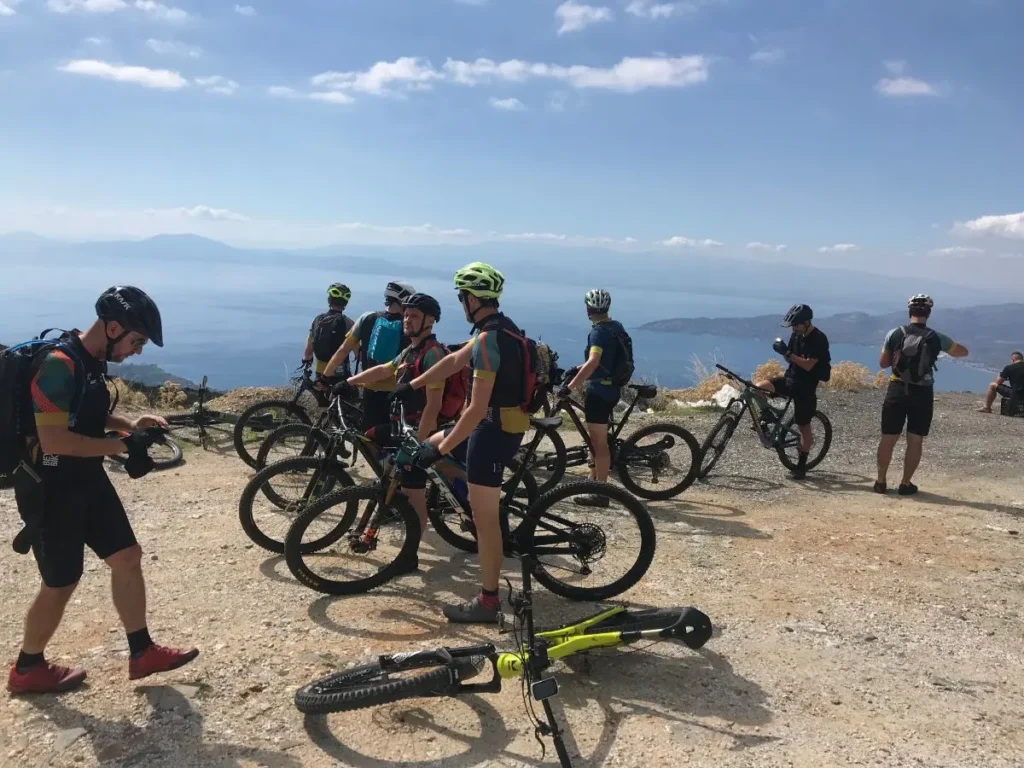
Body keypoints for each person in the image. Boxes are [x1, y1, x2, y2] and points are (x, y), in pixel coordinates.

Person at [8, 287, 199, 695]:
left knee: (127, 557)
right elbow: (54, 440)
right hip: (50, 487)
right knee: (61, 582)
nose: (138, 351)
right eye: (137, 341)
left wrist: (130, 425)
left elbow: (85, 413)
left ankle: (142, 652)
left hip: (86, 478)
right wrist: (122, 447)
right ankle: (27, 668)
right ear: (113, 329)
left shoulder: (90, 360)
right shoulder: (58, 365)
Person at [390, 262, 527, 624]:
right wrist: (411, 385)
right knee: (430, 447)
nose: (461, 303)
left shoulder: (488, 340)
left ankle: (488, 602)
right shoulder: (498, 328)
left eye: (462, 297)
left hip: (492, 434)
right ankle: (477, 500)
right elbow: (452, 361)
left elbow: (477, 409)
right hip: (496, 426)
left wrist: (441, 448)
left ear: (472, 299)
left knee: (485, 521)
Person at [343, 293, 450, 558]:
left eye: (414, 316)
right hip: (402, 428)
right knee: (369, 436)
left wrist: (419, 443)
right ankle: (397, 491)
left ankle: (410, 555)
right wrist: (348, 382)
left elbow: (433, 405)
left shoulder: (432, 354)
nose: (407, 320)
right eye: (406, 315)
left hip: (420, 432)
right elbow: (383, 370)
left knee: (415, 496)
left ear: (430, 320)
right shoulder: (410, 350)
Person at [875, 294, 969, 495]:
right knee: (915, 439)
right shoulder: (937, 337)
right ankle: (905, 484)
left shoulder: (895, 333)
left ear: (909, 312)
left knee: (888, 437)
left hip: (897, 388)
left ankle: (880, 482)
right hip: (922, 392)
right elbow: (962, 352)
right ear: (929, 313)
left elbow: (883, 363)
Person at [559, 288, 624, 507]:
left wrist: (570, 387)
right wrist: (577, 368)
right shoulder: (615, 327)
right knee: (596, 440)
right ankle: (593, 480)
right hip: (612, 389)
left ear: (588, 309)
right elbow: (604, 361)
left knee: (598, 443)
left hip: (599, 392)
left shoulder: (598, 333)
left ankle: (600, 493)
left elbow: (594, 361)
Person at [321, 281, 415, 429]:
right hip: (397, 391)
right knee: (393, 434)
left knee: (369, 433)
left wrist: (325, 376)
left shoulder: (367, 318)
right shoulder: (409, 325)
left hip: (370, 387)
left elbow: (343, 350)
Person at [754, 304, 830, 480]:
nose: (793, 329)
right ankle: (767, 419)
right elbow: (790, 359)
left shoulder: (818, 338)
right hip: (790, 379)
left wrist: (788, 353)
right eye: (792, 326)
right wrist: (782, 350)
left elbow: (809, 365)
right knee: (758, 387)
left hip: (806, 386)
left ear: (807, 322)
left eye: (796, 325)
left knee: (804, 427)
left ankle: (801, 466)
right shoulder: (797, 334)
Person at [303, 283, 354, 381]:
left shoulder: (318, 320)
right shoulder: (349, 323)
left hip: (320, 372)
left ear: (329, 300)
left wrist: (306, 365)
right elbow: (357, 352)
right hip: (340, 372)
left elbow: (309, 350)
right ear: (345, 304)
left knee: (321, 390)